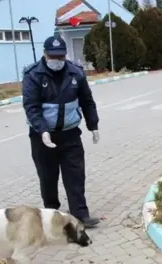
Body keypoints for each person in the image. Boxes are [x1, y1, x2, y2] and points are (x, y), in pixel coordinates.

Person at [22, 35, 100, 229]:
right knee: (48, 177)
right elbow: (31, 107)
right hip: (42, 137)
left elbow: (87, 101)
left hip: (70, 134)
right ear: (45, 54)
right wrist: (42, 130)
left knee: (75, 175)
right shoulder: (33, 75)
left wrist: (93, 125)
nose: (56, 61)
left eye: (60, 57)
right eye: (52, 56)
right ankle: (51, 216)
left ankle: (80, 215)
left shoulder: (76, 73)